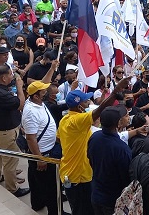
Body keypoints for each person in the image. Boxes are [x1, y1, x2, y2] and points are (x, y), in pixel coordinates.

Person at [58, 77, 131, 215]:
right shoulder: (77, 120)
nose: (89, 103)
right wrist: (116, 90)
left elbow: (59, 139)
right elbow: (100, 110)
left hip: (70, 174)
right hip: (79, 179)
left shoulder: (64, 120)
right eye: (86, 102)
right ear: (79, 107)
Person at [0, 64, 29, 197]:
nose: (12, 76)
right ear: (3, 78)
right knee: (10, 160)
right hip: (7, 131)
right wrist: (20, 87)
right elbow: (20, 103)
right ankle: (13, 188)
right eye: (10, 74)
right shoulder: (1, 94)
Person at [21, 80, 62, 214]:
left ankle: (37, 204)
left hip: (45, 150)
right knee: (51, 187)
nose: (46, 92)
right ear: (36, 96)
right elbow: (30, 138)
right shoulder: (31, 112)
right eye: (43, 91)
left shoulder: (36, 102)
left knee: (36, 181)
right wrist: (39, 159)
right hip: (43, 154)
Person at [88, 106, 132, 215]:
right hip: (112, 201)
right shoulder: (121, 148)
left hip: (96, 194)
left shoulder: (94, 137)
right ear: (118, 124)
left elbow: (90, 160)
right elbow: (126, 178)